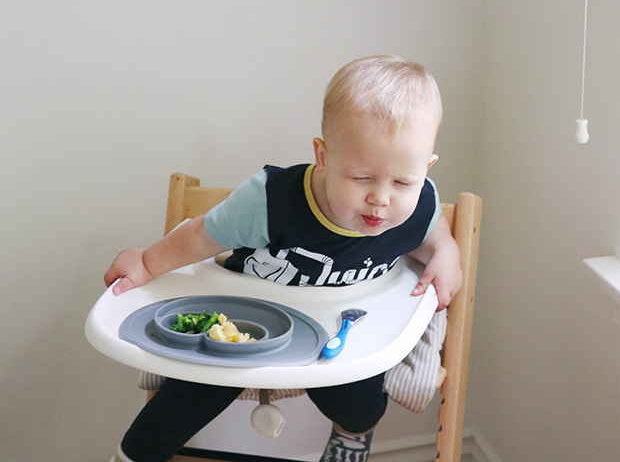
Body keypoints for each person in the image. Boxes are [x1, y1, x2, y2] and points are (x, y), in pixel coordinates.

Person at [104, 55, 462, 462]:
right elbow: (203, 235)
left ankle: (351, 433)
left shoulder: (419, 204)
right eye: (362, 177)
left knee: (360, 398)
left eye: (403, 181)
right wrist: (148, 263)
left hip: (337, 328)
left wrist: (447, 250)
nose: (381, 198)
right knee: (190, 392)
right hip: (245, 318)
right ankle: (135, 455)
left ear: (425, 169)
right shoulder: (270, 202)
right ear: (324, 158)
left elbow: (431, 231)